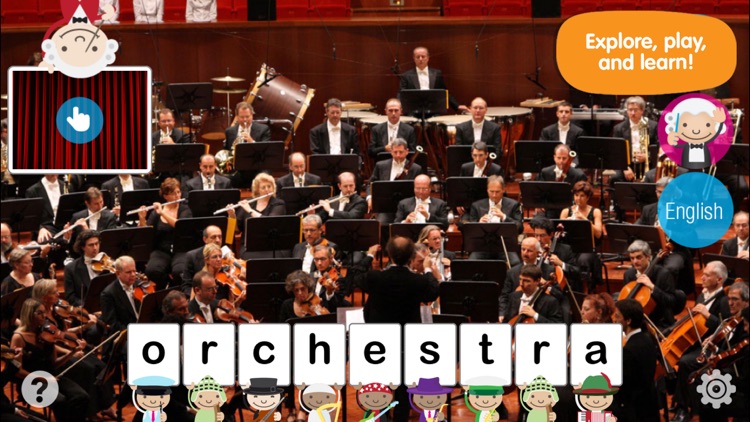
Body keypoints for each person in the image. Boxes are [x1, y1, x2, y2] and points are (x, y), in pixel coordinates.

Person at [670, 261, 733, 422]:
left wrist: (708, 315)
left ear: (719, 279)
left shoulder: (725, 301)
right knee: (675, 354)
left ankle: (683, 408)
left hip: (714, 347)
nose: (702, 277)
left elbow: (726, 328)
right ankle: (680, 400)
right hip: (697, 341)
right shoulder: (701, 296)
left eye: (707, 275)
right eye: (703, 274)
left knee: (685, 362)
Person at [10, 299, 89, 422]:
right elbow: (17, 371)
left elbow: (54, 363)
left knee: (82, 397)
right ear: (29, 314)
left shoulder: (47, 333)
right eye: (39, 313)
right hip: (30, 383)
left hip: (51, 377)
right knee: (61, 402)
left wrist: (73, 352)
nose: (44, 316)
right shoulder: (19, 337)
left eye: (44, 312)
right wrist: (43, 379)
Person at [636, 177, 694, 293]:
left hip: (675, 250)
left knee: (671, 268)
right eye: (659, 192)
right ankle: (645, 295)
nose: (661, 195)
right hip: (652, 250)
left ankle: (668, 296)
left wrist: (669, 232)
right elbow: (638, 228)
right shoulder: (648, 209)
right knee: (638, 263)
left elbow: (689, 236)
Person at [363, 236, 439, 324]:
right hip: (407, 330)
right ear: (410, 256)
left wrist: (370, 256)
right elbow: (434, 292)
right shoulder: (419, 280)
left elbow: (356, 275)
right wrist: (428, 269)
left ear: (390, 254)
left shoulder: (374, 277)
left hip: (381, 329)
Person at [138, 178, 192, 289]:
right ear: (165, 196)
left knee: (179, 271)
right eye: (173, 193)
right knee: (152, 270)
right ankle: (164, 289)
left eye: (178, 192)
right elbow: (146, 233)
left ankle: (177, 290)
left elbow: (180, 225)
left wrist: (162, 213)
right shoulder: (156, 213)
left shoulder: (185, 209)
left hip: (180, 250)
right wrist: (142, 218)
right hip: (162, 250)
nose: (177, 196)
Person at [612, 299, 660, 422]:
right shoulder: (648, 339)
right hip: (649, 406)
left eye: (618, 316)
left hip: (634, 411)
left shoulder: (629, 349)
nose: (615, 320)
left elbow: (624, 386)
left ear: (628, 321)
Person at [498, 237, 565, 322]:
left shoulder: (549, 270)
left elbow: (559, 295)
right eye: (523, 249)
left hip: (542, 311)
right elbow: (504, 295)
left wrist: (546, 284)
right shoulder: (512, 272)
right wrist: (502, 313)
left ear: (538, 253)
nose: (525, 253)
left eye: (529, 251)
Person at [620, 240, 677, 332]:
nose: (635, 261)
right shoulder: (629, 274)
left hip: (659, 321)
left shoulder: (663, 274)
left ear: (648, 257)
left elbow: (671, 301)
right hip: (635, 322)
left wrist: (652, 287)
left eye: (639, 257)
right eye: (632, 258)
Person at [228, 172, 287, 260]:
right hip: (249, 248)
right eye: (263, 187)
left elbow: (269, 223)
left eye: (269, 186)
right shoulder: (249, 203)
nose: (267, 189)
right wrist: (231, 214)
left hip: (272, 246)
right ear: (257, 190)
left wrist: (250, 210)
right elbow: (237, 230)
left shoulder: (278, 204)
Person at [560, 181, 603, 291]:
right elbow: (559, 234)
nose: (578, 199)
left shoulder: (595, 212)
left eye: (582, 196)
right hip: (570, 247)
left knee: (583, 260)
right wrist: (566, 224)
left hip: (587, 249)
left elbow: (598, 234)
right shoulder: (566, 211)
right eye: (576, 195)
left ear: (588, 197)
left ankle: (585, 290)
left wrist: (584, 220)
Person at [367, 138, 422, 224]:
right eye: (395, 152)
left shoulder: (416, 168)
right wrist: (370, 197)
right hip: (386, 208)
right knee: (380, 224)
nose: (398, 155)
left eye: (401, 152)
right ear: (391, 151)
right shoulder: (380, 165)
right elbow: (370, 184)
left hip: (408, 208)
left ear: (407, 151)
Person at [610, 96, 659, 185]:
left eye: (635, 110)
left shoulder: (653, 126)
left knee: (653, 177)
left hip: (648, 163)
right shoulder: (618, 128)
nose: (632, 113)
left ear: (642, 110)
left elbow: (658, 147)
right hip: (628, 164)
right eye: (630, 110)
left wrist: (647, 156)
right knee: (615, 178)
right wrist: (625, 168)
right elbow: (616, 151)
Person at [399, 46, 465, 112]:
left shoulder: (437, 73)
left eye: (423, 56)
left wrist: (457, 106)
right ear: (414, 59)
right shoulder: (406, 76)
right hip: (413, 111)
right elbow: (401, 94)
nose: (420, 59)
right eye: (418, 57)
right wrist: (398, 107)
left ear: (428, 58)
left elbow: (444, 92)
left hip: (434, 110)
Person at [536, 143, 587, 218]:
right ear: (554, 157)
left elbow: (583, 196)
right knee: (537, 221)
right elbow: (540, 191)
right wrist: (539, 204)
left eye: (564, 158)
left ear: (569, 158)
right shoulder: (545, 172)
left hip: (570, 209)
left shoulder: (579, 175)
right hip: (549, 209)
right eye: (559, 158)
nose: (561, 161)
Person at [63, 230, 105, 307]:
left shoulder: (107, 263)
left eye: (97, 244)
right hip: (87, 309)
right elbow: (70, 296)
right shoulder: (71, 269)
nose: (95, 248)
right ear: (82, 247)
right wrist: (86, 307)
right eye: (91, 245)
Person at [100, 256, 140, 333]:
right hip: (126, 333)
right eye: (128, 272)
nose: (133, 274)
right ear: (118, 273)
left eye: (134, 271)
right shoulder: (108, 294)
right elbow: (113, 324)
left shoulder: (139, 285)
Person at [181, 225, 223, 294]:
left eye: (220, 237)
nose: (217, 240)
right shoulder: (192, 256)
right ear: (205, 239)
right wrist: (199, 297)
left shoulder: (227, 255)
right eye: (213, 237)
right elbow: (186, 286)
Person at [25, 174, 67, 243]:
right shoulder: (32, 191)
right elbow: (31, 218)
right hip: (47, 227)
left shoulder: (66, 186)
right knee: (45, 239)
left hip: (65, 225)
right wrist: (40, 228)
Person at [309, 244, 351, 313]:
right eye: (316, 259)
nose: (319, 263)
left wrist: (330, 293)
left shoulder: (339, 279)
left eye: (323, 259)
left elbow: (335, 305)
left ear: (331, 258)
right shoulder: (311, 276)